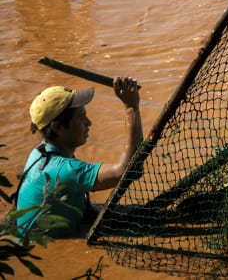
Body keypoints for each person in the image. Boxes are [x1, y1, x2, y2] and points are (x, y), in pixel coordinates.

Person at [15, 77, 142, 237]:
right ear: (58, 127)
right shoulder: (64, 170)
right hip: (50, 242)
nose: (89, 123)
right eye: (81, 118)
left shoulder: (40, 152)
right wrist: (131, 107)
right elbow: (128, 170)